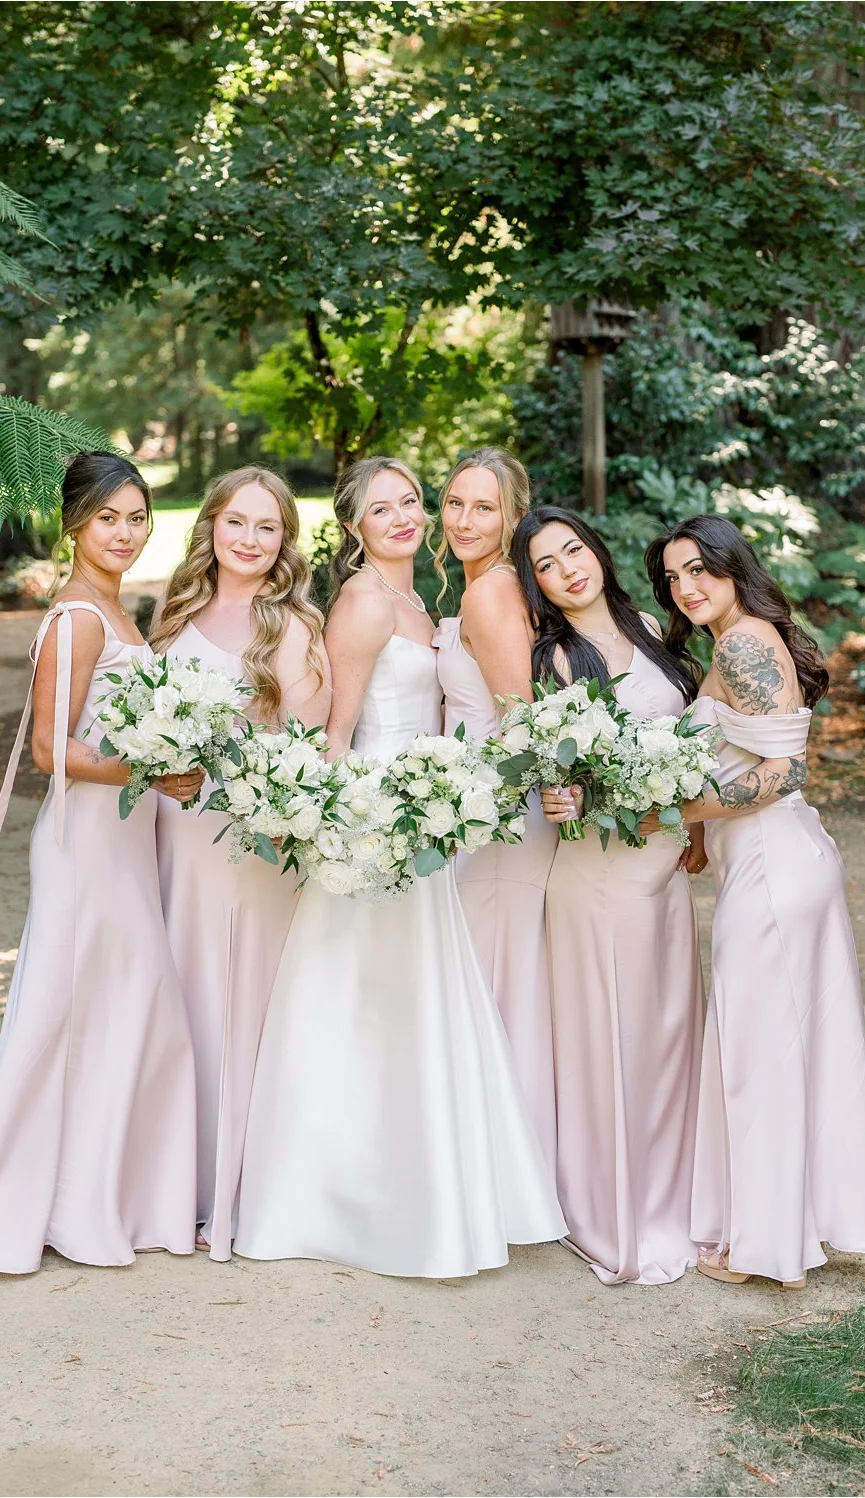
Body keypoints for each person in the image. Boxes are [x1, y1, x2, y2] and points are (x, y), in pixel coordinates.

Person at [232, 456, 564, 1279]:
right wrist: (332, 828)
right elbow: (337, 731)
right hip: (379, 823)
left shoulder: (424, 602)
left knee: (413, 1011)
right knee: (358, 1009)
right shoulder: (364, 600)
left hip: (430, 818)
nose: (405, 518)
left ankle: (423, 1194)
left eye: (412, 502)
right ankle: (333, 1200)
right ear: (353, 527)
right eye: (382, 509)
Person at [0, 452, 203, 1274]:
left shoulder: (121, 608)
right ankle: (16, 1211)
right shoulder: (75, 619)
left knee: (132, 1014)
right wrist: (150, 771)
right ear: (74, 524)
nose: (126, 533)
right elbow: (44, 749)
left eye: (137, 517)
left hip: (125, 841)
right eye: (109, 519)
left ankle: (112, 1198)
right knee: (67, 1018)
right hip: (86, 844)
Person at [648, 514, 865, 1290]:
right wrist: (695, 835)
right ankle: (786, 1227)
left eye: (699, 572)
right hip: (772, 862)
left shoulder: (744, 643)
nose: (686, 588)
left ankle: (766, 1248)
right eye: (674, 578)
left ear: (731, 568)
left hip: (774, 869)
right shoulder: (740, 639)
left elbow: (784, 774)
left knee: (761, 1060)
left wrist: (672, 814)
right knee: (781, 1050)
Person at [519, 506, 706, 1284]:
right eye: (548, 564)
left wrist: (694, 832)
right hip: (603, 879)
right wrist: (561, 796)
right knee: (616, 1042)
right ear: (539, 586)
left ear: (597, 549)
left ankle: (680, 1198)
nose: (568, 568)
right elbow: (558, 772)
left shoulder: (660, 639)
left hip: (663, 876)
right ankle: (620, 1212)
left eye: (574, 549)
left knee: (668, 1043)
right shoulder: (559, 661)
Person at [150, 466, 330, 1260]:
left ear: (285, 540)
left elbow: (308, 747)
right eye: (237, 523)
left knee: (239, 1002)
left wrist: (258, 799)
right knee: (177, 994)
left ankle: (234, 1192)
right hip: (171, 833)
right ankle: (171, 1184)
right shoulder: (174, 609)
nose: (250, 540)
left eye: (267, 528)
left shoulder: (290, 626)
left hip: (249, 842)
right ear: (211, 527)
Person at [434, 448, 558, 1173]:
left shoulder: (490, 593)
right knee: (494, 988)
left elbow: (525, 722)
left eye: (484, 507)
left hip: (498, 822)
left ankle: (503, 1173)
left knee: (494, 991)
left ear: (512, 517)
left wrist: (466, 808)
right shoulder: (487, 587)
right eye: (454, 503)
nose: (464, 520)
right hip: (484, 816)